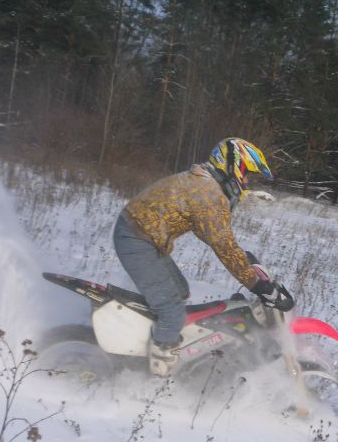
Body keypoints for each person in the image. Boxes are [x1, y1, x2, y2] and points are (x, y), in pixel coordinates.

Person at [113, 137, 292, 376]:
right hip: (136, 239)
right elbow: (223, 246)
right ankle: (156, 375)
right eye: (246, 174)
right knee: (171, 309)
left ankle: (145, 338)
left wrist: (246, 260)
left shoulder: (205, 184)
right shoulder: (209, 193)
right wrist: (259, 285)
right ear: (232, 166)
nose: (247, 182)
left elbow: (216, 236)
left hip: (144, 237)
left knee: (179, 291)